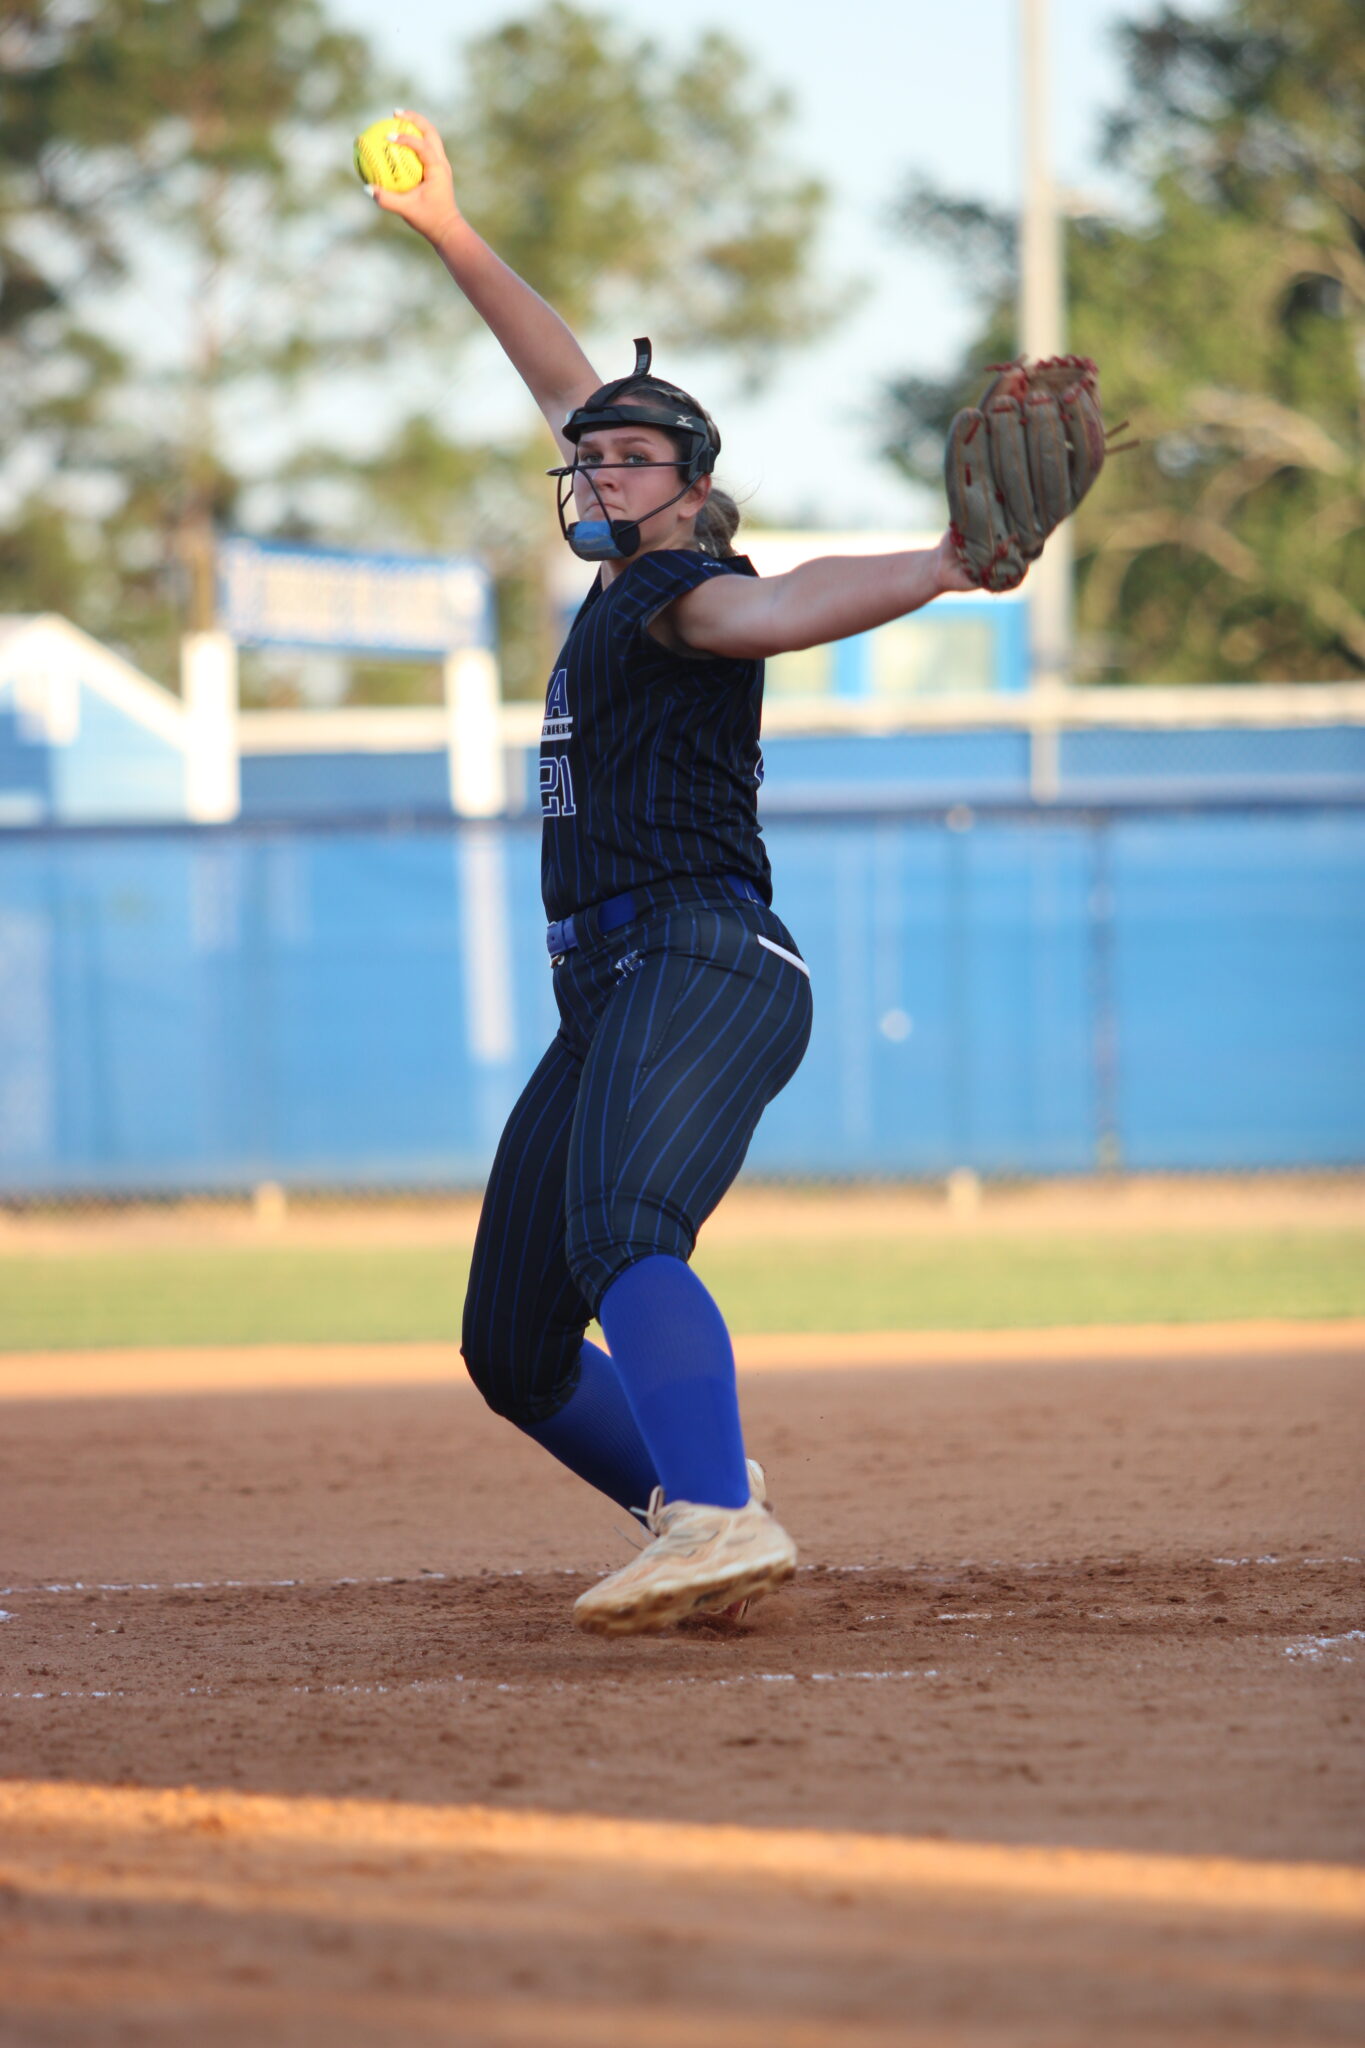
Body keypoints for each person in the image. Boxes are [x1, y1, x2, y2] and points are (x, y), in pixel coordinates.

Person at [371, 112, 977, 1637]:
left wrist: (942, 564)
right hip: (613, 986)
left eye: (627, 457)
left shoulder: (683, 588)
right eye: (584, 456)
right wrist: (447, 228)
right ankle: (702, 1499)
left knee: (624, 1224)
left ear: (696, 490)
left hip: (704, 957)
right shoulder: (621, 564)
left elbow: (787, 610)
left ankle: (713, 1508)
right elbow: (561, 374)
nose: (591, 467)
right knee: (512, 1346)